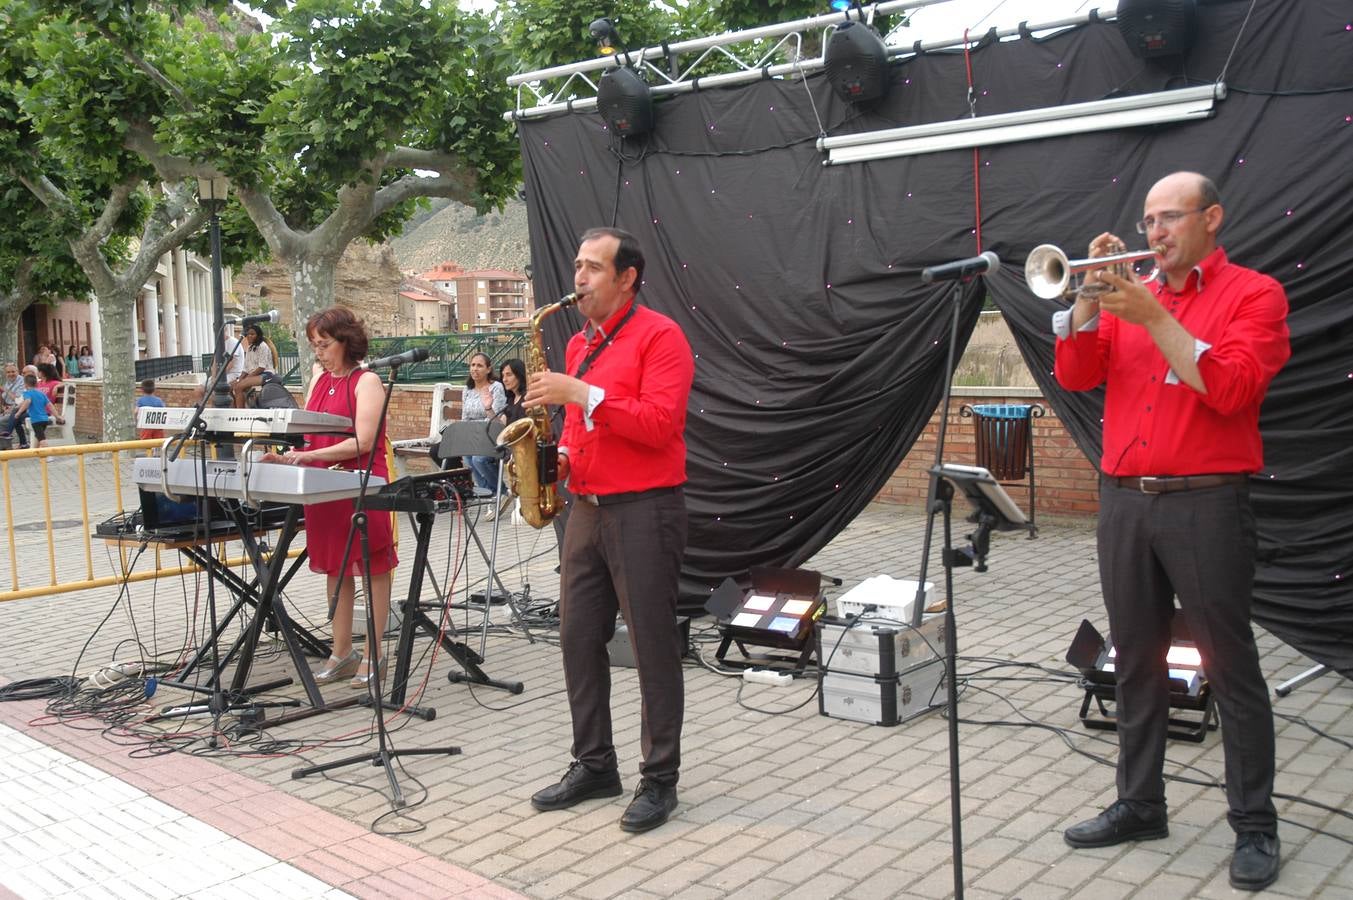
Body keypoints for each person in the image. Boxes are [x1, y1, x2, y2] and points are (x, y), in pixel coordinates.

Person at [1052, 172, 1290, 892]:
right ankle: (1139, 804)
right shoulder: (1130, 297)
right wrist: (1085, 301)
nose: (1154, 233)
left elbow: (1231, 389)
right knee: (1134, 662)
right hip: (1126, 502)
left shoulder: (1254, 295)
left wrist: (1153, 317)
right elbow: (1075, 375)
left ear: (1210, 218)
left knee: (1229, 665)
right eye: (1148, 220)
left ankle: (1254, 824)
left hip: (1206, 503)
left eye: (1170, 218)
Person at [523, 226, 694, 834]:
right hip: (587, 509)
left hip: (646, 509)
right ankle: (594, 764)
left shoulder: (661, 337)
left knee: (651, 645)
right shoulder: (578, 344)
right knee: (575, 637)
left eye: (593, 268)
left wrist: (582, 392)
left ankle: (660, 778)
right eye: (577, 265)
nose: (579, 278)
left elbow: (659, 424)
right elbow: (576, 430)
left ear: (627, 278)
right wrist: (561, 459)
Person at [261, 307, 396, 689]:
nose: (319, 353)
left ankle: (374, 653)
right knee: (336, 566)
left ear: (346, 341)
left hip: (360, 484)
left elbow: (364, 441)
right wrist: (289, 457)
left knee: (372, 566)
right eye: (314, 346)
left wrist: (308, 457)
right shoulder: (320, 379)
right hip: (324, 485)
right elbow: (311, 435)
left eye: (324, 345)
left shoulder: (367, 381)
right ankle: (341, 652)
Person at [460, 351, 507, 497]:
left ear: (488, 369)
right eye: (473, 365)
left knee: (479, 459)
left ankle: (501, 491)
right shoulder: (467, 390)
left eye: (479, 366)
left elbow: (496, 417)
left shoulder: (496, 387)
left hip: (490, 434)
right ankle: (489, 494)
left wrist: (478, 434)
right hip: (472, 435)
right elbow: (465, 417)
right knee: (467, 457)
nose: (475, 369)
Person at [230, 323, 276, 408]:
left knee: (238, 387)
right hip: (253, 374)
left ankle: (241, 412)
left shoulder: (263, 346)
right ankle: (235, 409)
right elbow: (246, 368)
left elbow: (261, 367)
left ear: (258, 335)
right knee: (231, 386)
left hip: (266, 374)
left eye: (252, 334)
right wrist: (240, 379)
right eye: (248, 334)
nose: (249, 336)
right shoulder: (249, 348)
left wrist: (247, 378)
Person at [15, 373, 63, 448]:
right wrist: (57, 416)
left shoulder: (27, 393)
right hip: (45, 419)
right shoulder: (41, 393)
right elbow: (50, 405)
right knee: (38, 436)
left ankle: (48, 453)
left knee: (42, 440)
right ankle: (35, 451)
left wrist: (19, 412)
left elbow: (27, 401)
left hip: (36, 420)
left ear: (25, 385)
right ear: (36, 384)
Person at [1, 363, 29, 449]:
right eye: (8, 372)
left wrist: (6, 390)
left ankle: (5, 446)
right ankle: (22, 443)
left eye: (13, 371)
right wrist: (5, 407)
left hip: (22, 408)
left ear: (17, 371)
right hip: (11, 409)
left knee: (2, 421)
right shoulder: (8, 382)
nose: (11, 374)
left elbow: (18, 400)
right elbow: (6, 399)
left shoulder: (22, 382)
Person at [499, 357, 528, 424]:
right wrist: (488, 408)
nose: (504, 379)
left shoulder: (527, 397)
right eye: (503, 376)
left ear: (519, 375)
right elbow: (501, 425)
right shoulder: (511, 400)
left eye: (509, 375)